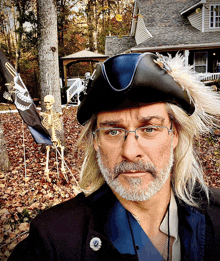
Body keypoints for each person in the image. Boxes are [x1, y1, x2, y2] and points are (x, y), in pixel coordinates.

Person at [8, 52, 220, 261]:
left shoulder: (216, 218)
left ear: (175, 135)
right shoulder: (52, 241)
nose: (129, 152)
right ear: (96, 141)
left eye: (149, 129)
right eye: (113, 131)